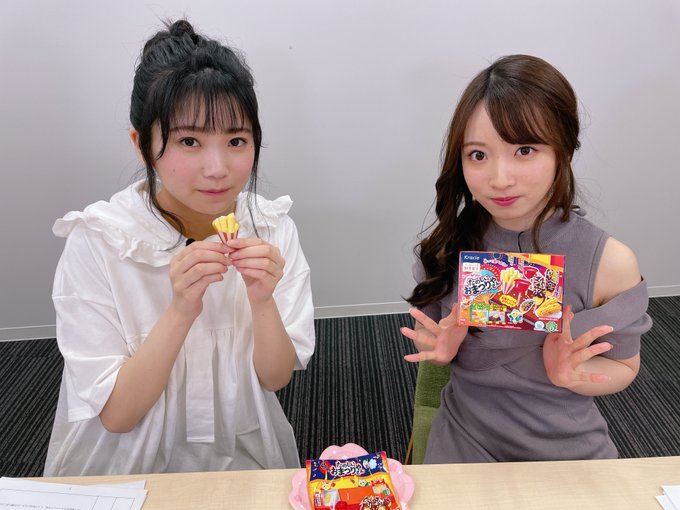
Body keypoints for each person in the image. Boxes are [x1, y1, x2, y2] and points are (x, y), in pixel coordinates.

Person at [44, 19, 314, 476]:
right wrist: (181, 310)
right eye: (190, 141)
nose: (218, 168)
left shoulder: (272, 228)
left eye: (236, 140)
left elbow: (275, 378)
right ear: (142, 145)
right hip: (123, 464)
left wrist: (262, 300)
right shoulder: (99, 241)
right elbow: (118, 416)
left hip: (242, 449)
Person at [401, 54, 652, 463]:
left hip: (566, 447)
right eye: (478, 155)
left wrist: (571, 376)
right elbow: (428, 332)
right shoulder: (448, 246)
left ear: (562, 150)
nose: (500, 179)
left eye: (525, 150)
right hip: (466, 438)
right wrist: (442, 351)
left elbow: (624, 367)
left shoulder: (610, 261)